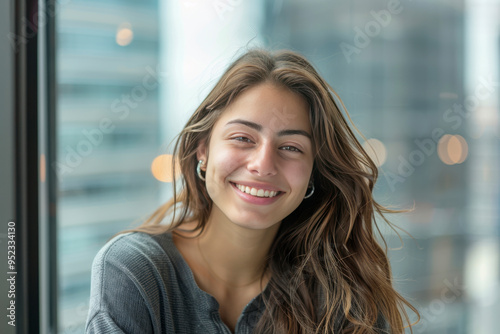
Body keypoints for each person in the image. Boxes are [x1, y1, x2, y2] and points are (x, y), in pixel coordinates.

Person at [86, 49, 418, 334]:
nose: (263, 164)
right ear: (203, 149)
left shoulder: (342, 294)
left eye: (290, 147)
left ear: (313, 173)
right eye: (243, 138)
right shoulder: (133, 271)